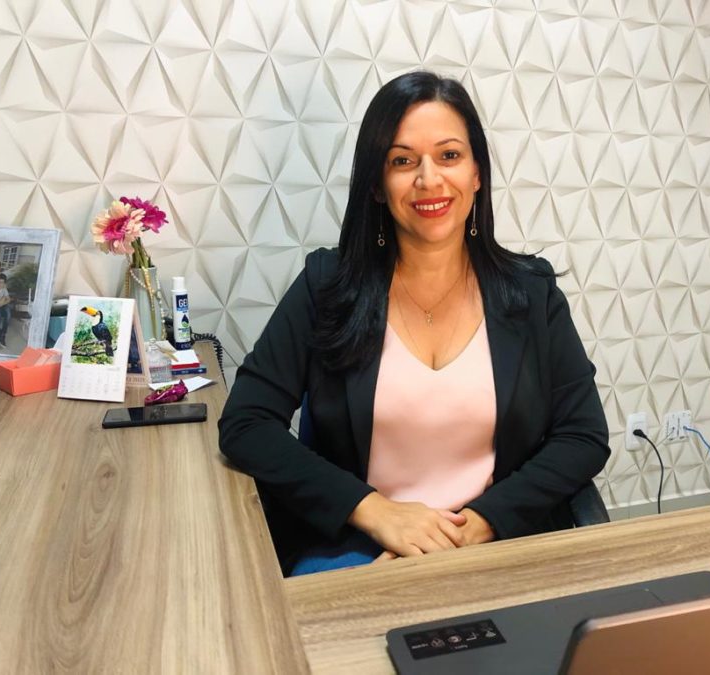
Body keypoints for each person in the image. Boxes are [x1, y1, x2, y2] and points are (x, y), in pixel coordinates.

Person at [218, 71, 610, 576]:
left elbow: (583, 434)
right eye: (402, 161)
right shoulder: (327, 286)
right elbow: (247, 422)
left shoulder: (531, 293)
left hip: (497, 542)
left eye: (449, 155)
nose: (429, 179)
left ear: (477, 173)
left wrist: (481, 523)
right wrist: (375, 512)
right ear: (378, 185)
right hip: (360, 548)